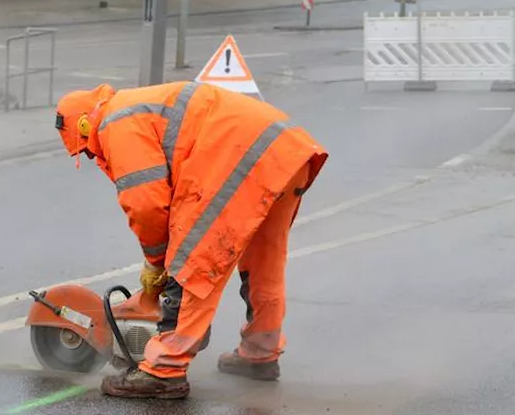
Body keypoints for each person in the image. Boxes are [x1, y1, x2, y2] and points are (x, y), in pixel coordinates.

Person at [53, 81, 329, 400]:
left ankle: (164, 371)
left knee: (194, 261)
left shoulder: (117, 123)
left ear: (86, 123)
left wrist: (156, 270)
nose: (90, 154)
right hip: (284, 152)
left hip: (236, 156)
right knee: (262, 261)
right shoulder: (136, 107)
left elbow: (147, 204)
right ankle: (259, 353)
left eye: (85, 148)